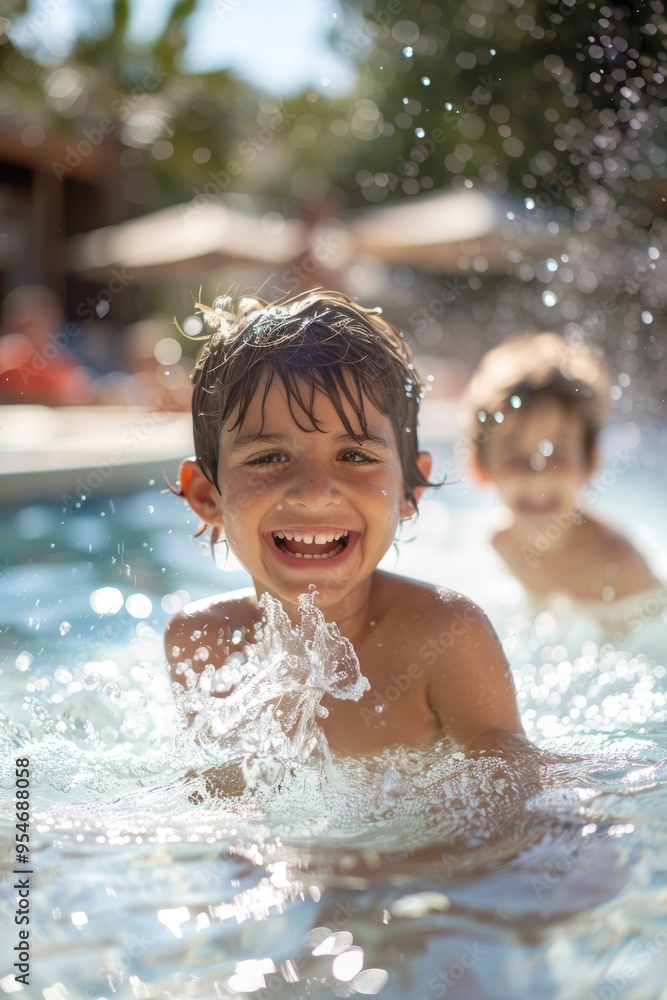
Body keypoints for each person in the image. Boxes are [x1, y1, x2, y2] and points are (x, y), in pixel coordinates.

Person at [165, 290, 525, 758]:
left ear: (409, 490)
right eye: (269, 457)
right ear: (206, 495)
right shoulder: (200, 641)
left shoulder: (444, 637)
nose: (314, 492)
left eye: (355, 456)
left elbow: (516, 806)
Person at [461, 331, 664, 640]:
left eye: (557, 452)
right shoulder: (493, 546)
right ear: (480, 466)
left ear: (590, 464)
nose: (538, 473)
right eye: (514, 455)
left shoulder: (620, 567)